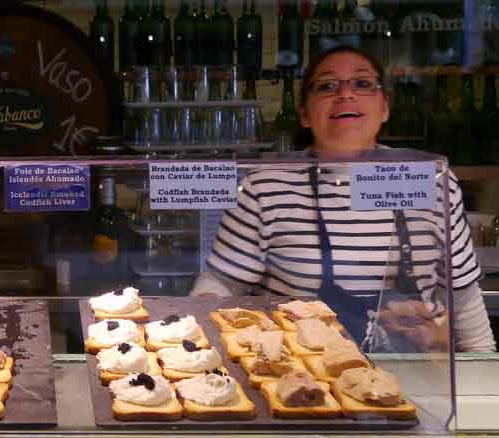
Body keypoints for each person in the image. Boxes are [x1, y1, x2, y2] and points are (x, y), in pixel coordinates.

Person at [191, 46, 495, 353]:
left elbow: (464, 297)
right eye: (327, 86)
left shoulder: (431, 179)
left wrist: (485, 380)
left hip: (420, 378)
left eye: (362, 84)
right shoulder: (266, 183)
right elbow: (224, 284)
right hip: (303, 374)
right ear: (305, 114)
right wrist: (199, 327)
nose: (346, 94)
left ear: (385, 107)